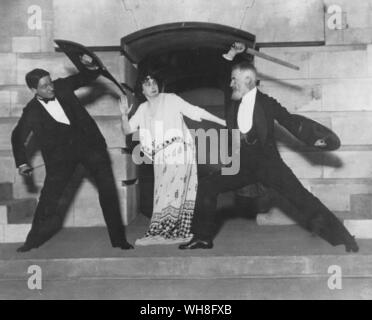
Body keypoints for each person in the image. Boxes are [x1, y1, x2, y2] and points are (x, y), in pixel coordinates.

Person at [179, 47, 359, 253]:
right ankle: (202, 238)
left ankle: (344, 238)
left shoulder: (267, 103)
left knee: (303, 199)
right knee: (207, 186)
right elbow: (222, 74)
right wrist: (231, 53)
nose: (230, 84)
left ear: (248, 81)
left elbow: (292, 123)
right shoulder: (233, 100)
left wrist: (317, 140)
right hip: (242, 164)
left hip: (268, 164)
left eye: (234, 80)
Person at [11, 56, 133, 252]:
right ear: (34, 91)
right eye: (44, 86)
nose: (51, 88)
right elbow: (18, 136)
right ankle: (32, 241)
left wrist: (88, 63)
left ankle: (119, 241)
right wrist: (22, 163)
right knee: (48, 201)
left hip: (91, 149)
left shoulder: (61, 86)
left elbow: (88, 76)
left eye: (50, 83)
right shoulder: (31, 111)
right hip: (61, 160)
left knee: (108, 192)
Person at [119, 72, 226, 245]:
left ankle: (168, 232)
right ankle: (173, 232)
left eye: (154, 83)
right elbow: (128, 130)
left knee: (172, 192)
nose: (152, 86)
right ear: (141, 89)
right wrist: (124, 115)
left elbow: (195, 111)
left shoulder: (170, 99)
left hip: (178, 151)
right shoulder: (142, 108)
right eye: (147, 84)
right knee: (163, 194)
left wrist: (222, 122)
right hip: (160, 157)